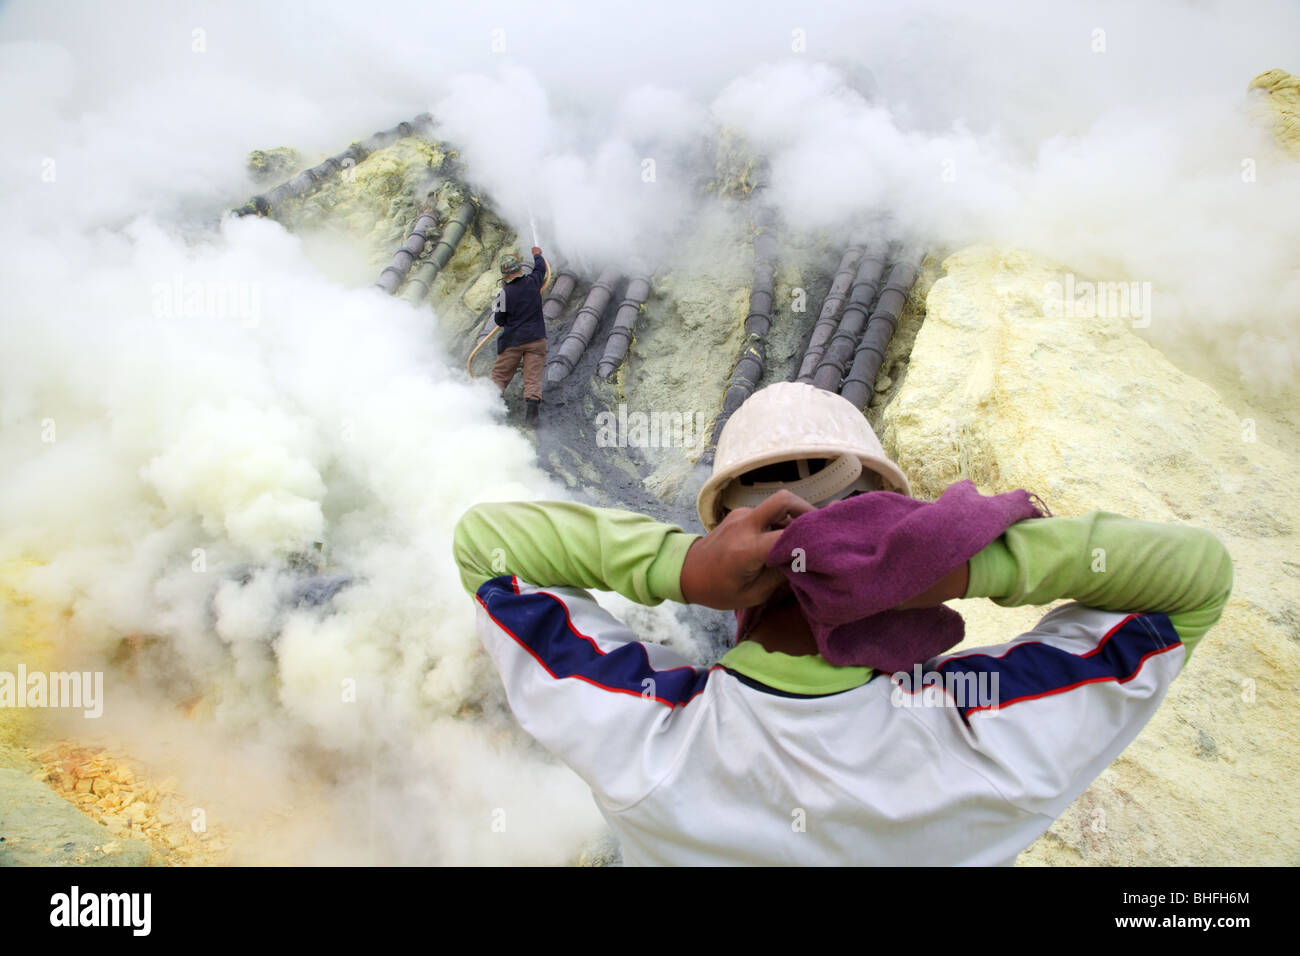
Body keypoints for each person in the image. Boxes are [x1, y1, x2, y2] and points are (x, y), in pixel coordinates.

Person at [451, 381, 1233, 865]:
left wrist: (685, 571)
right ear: (893, 517)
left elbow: (486, 545)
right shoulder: (999, 742)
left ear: (734, 542)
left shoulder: (644, 740)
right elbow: (1197, 579)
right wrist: (959, 569)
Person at [490, 247, 549, 427]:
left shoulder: (503, 295)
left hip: (513, 341)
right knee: (532, 377)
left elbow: (499, 320)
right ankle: (532, 419)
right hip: (536, 339)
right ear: (519, 270)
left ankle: (489, 412)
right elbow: (541, 269)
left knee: (500, 375)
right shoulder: (533, 281)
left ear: (505, 275)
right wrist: (537, 254)